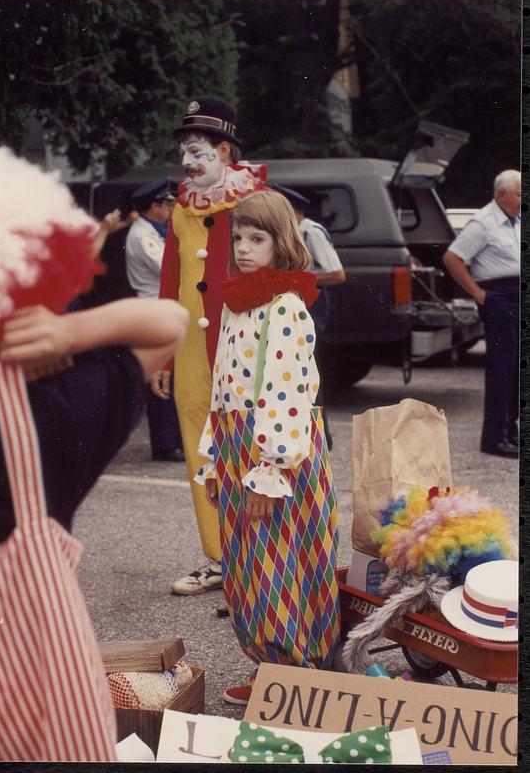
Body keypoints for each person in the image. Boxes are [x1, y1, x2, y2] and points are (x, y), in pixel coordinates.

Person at [0, 144, 189, 762]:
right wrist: (71, 333)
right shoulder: (56, 409)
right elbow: (167, 323)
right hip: (38, 714)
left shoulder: (46, 408)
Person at [194, 189, 341, 704]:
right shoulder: (238, 307)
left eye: (257, 238)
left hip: (275, 453)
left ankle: (297, 675)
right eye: (238, 237)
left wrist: (270, 471)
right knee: (247, 563)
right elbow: (222, 390)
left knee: (282, 560)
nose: (244, 247)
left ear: (282, 243)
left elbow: (286, 392)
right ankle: (270, 668)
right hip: (238, 449)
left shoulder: (285, 307)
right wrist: (213, 460)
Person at [154, 96, 267, 595]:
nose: (185, 162)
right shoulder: (182, 210)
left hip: (246, 343)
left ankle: (261, 555)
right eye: (184, 151)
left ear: (225, 149)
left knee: (253, 444)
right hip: (192, 352)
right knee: (200, 449)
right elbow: (169, 283)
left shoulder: (258, 201)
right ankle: (220, 557)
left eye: (196, 151)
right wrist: (162, 352)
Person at [443, 169, 520, 458]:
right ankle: (494, 437)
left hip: (517, 295)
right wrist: (478, 294)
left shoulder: (516, 221)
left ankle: (510, 430)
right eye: (520, 194)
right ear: (501, 194)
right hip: (499, 296)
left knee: (516, 369)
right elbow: (452, 258)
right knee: (502, 368)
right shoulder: (483, 223)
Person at [270, 183, 346, 450]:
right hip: (295, 299)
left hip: (313, 301)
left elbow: (337, 274)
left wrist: (296, 279)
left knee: (307, 367)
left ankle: (321, 436)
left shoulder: (309, 231)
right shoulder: (288, 233)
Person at [125, 177, 184, 461]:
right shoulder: (143, 235)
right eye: (168, 204)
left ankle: (173, 440)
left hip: (160, 308)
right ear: (155, 206)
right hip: (152, 308)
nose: (172, 208)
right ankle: (165, 444)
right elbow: (168, 267)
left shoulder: (157, 230)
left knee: (170, 375)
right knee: (160, 376)